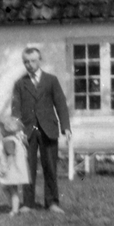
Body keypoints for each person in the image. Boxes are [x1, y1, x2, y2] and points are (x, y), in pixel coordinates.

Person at [11, 46, 71, 213]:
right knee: (28, 167)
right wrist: (17, 129)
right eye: (26, 62)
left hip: (48, 129)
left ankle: (52, 203)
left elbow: (61, 104)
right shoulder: (20, 84)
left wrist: (66, 127)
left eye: (33, 61)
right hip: (27, 131)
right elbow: (15, 109)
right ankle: (28, 203)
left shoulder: (51, 80)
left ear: (40, 60)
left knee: (50, 166)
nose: (30, 65)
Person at [0, 114, 30, 216]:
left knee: (11, 189)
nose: (0, 131)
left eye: (1, 129)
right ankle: (13, 206)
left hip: (12, 169)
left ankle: (14, 209)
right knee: (10, 189)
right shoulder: (17, 138)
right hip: (17, 169)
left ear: (6, 129)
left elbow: (10, 156)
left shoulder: (8, 141)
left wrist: (6, 168)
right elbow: (25, 146)